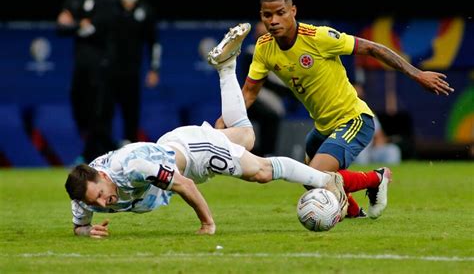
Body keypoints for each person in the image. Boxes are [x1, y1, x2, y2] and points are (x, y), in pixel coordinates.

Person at [64, 24, 347, 238]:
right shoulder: (84, 191)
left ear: (103, 175)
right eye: (96, 201)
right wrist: (87, 232)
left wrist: (207, 224)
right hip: (175, 145)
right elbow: (79, 225)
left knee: (260, 172)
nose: (104, 202)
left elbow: (184, 186)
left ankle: (326, 181)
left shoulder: (134, 167)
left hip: (193, 155)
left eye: (101, 194)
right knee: (246, 137)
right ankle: (226, 67)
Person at [214, 0, 454, 219]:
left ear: (293, 11)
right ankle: (353, 213)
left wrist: (416, 74)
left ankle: (376, 178)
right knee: (310, 181)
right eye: (268, 15)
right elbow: (249, 93)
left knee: (315, 174)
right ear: (261, 17)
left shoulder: (319, 37)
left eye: (281, 13)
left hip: (354, 119)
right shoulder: (264, 48)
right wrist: (226, 118)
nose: (274, 20)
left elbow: (372, 48)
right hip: (323, 127)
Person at [56, 0, 117, 163]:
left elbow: (96, 28)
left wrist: (74, 23)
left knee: (98, 113)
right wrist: (79, 24)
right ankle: (110, 150)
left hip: (101, 65)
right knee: (79, 108)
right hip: (80, 65)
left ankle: (94, 156)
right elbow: (60, 28)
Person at [112, 0, 161, 145]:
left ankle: (129, 149)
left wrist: (154, 69)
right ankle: (100, 151)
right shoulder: (110, 6)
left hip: (132, 71)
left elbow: (154, 43)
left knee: (131, 112)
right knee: (102, 112)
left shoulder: (146, 10)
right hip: (107, 70)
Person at [240, 21, 289, 156]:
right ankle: (259, 153)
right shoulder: (251, 51)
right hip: (256, 95)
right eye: (259, 35)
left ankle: (267, 153)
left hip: (274, 99)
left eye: (265, 34)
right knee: (269, 116)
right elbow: (260, 79)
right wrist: (285, 89)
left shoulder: (281, 52)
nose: (262, 37)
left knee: (272, 116)